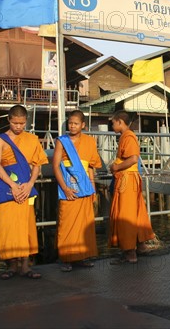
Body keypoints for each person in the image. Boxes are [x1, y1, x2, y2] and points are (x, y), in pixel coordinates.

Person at [0, 105, 48, 280]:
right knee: (8, 229)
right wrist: (13, 186)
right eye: (15, 123)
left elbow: (37, 164)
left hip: (26, 188)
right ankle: (11, 266)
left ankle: (25, 267)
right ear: (8, 120)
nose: (18, 127)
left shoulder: (32, 139)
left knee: (26, 228)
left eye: (22, 123)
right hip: (8, 188)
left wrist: (30, 184)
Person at [53, 110, 102, 272]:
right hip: (69, 188)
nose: (72, 126)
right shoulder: (62, 141)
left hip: (85, 188)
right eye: (70, 123)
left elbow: (90, 168)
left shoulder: (90, 141)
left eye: (75, 123)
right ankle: (66, 258)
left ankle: (82, 257)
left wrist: (93, 189)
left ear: (83, 125)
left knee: (84, 225)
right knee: (67, 224)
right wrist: (65, 188)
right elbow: (55, 167)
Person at [108, 110, 156, 264]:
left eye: (113, 123)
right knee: (136, 213)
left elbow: (133, 158)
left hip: (127, 180)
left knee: (125, 215)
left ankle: (130, 253)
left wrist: (116, 167)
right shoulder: (127, 136)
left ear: (120, 122)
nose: (112, 125)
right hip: (130, 179)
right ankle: (140, 245)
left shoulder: (128, 136)